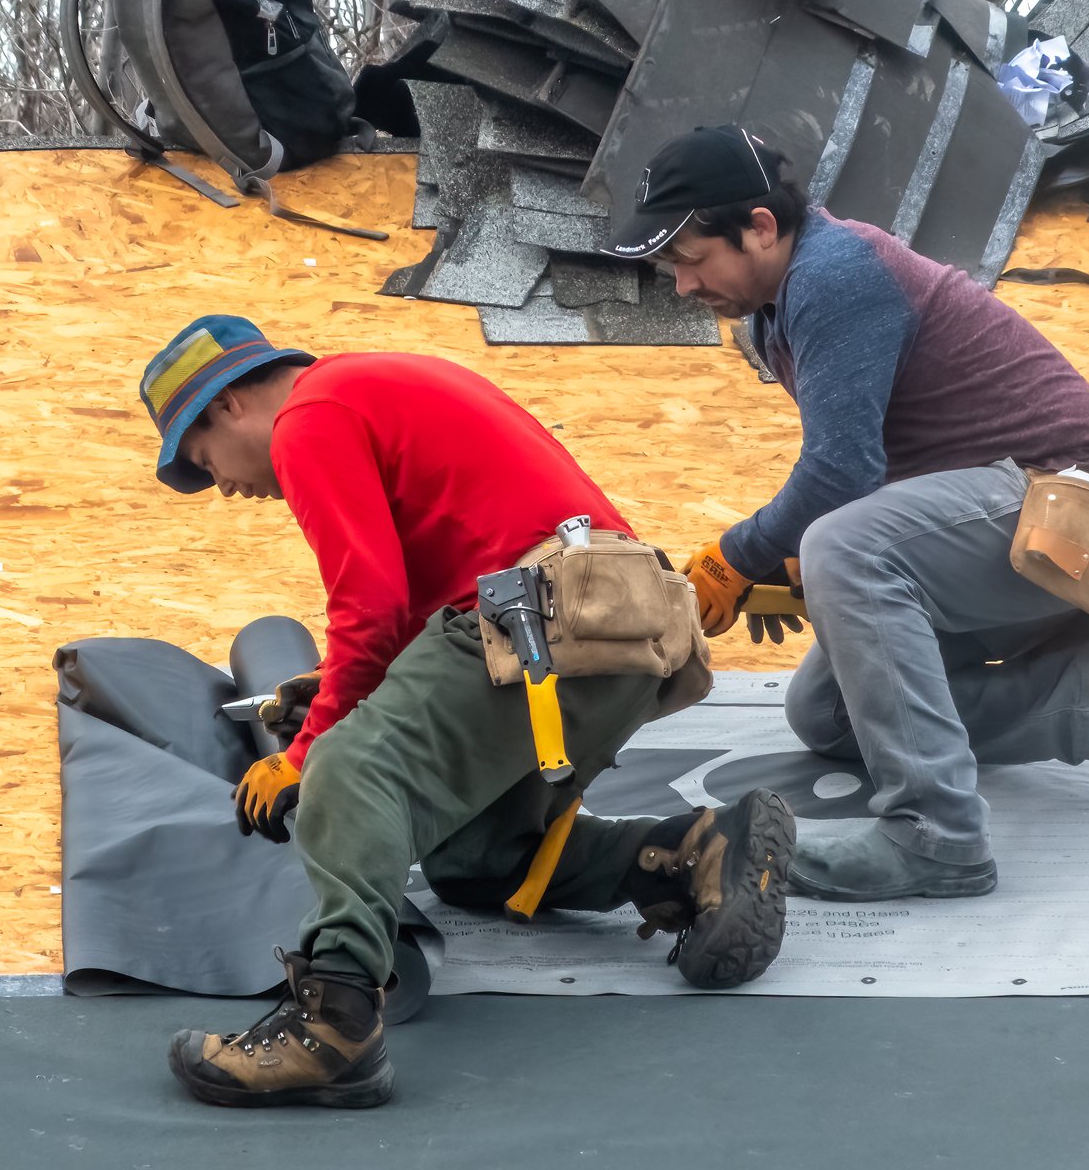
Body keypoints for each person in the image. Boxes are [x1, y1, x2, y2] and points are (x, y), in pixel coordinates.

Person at [137, 315, 795, 1110]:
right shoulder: (366, 386)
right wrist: (346, 685)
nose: (229, 489)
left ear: (228, 405)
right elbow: (431, 595)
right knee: (474, 859)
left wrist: (308, 750)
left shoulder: (310, 417)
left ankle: (333, 1023)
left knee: (354, 769)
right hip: (618, 629)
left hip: (542, 619)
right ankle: (685, 852)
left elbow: (369, 607)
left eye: (206, 462)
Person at [606, 125, 1089, 902]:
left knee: (844, 546)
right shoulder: (775, 306)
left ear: (760, 227)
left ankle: (937, 837)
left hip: (1073, 513)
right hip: (1011, 516)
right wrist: (797, 556)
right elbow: (871, 467)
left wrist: (741, 555)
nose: (682, 287)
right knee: (825, 714)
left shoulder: (834, 276)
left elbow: (842, 471)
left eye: (689, 261)